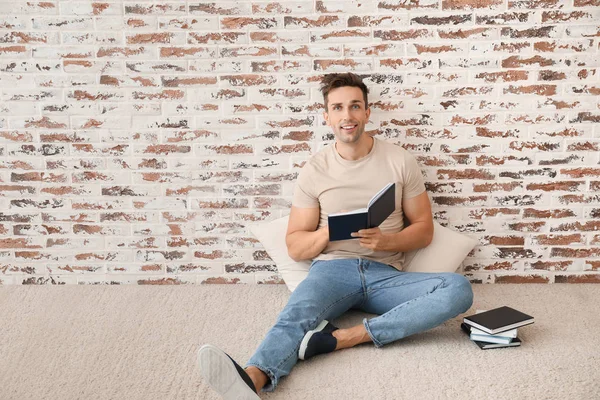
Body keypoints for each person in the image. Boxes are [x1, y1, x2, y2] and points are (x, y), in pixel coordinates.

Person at [197, 72, 474, 399]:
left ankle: (345, 337)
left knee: (457, 289)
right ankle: (253, 378)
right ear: (327, 116)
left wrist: (387, 242)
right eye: (338, 108)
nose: (348, 116)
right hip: (332, 270)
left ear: (367, 112)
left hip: (386, 275)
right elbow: (295, 246)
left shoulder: (400, 161)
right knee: (295, 314)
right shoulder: (315, 169)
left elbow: (424, 230)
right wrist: (329, 232)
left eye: (355, 106)